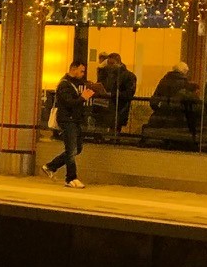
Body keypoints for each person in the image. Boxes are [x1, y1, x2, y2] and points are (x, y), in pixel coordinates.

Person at [44, 59, 99, 188]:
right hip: (67, 120)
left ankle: (51, 166)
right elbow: (69, 102)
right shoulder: (64, 84)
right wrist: (82, 98)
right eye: (81, 71)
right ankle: (70, 178)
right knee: (71, 150)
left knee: (77, 148)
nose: (83, 74)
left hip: (73, 120)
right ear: (73, 69)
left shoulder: (72, 83)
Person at [152, 61, 202, 143]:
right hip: (180, 112)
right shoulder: (184, 83)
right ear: (184, 71)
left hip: (165, 110)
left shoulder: (164, 80)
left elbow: (157, 95)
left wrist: (158, 107)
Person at [96, 53, 138, 138]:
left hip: (118, 107)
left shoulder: (126, 76)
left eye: (111, 64)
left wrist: (112, 94)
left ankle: (112, 138)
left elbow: (129, 93)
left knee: (114, 128)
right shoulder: (108, 74)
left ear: (117, 62)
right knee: (107, 128)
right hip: (110, 106)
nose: (109, 66)